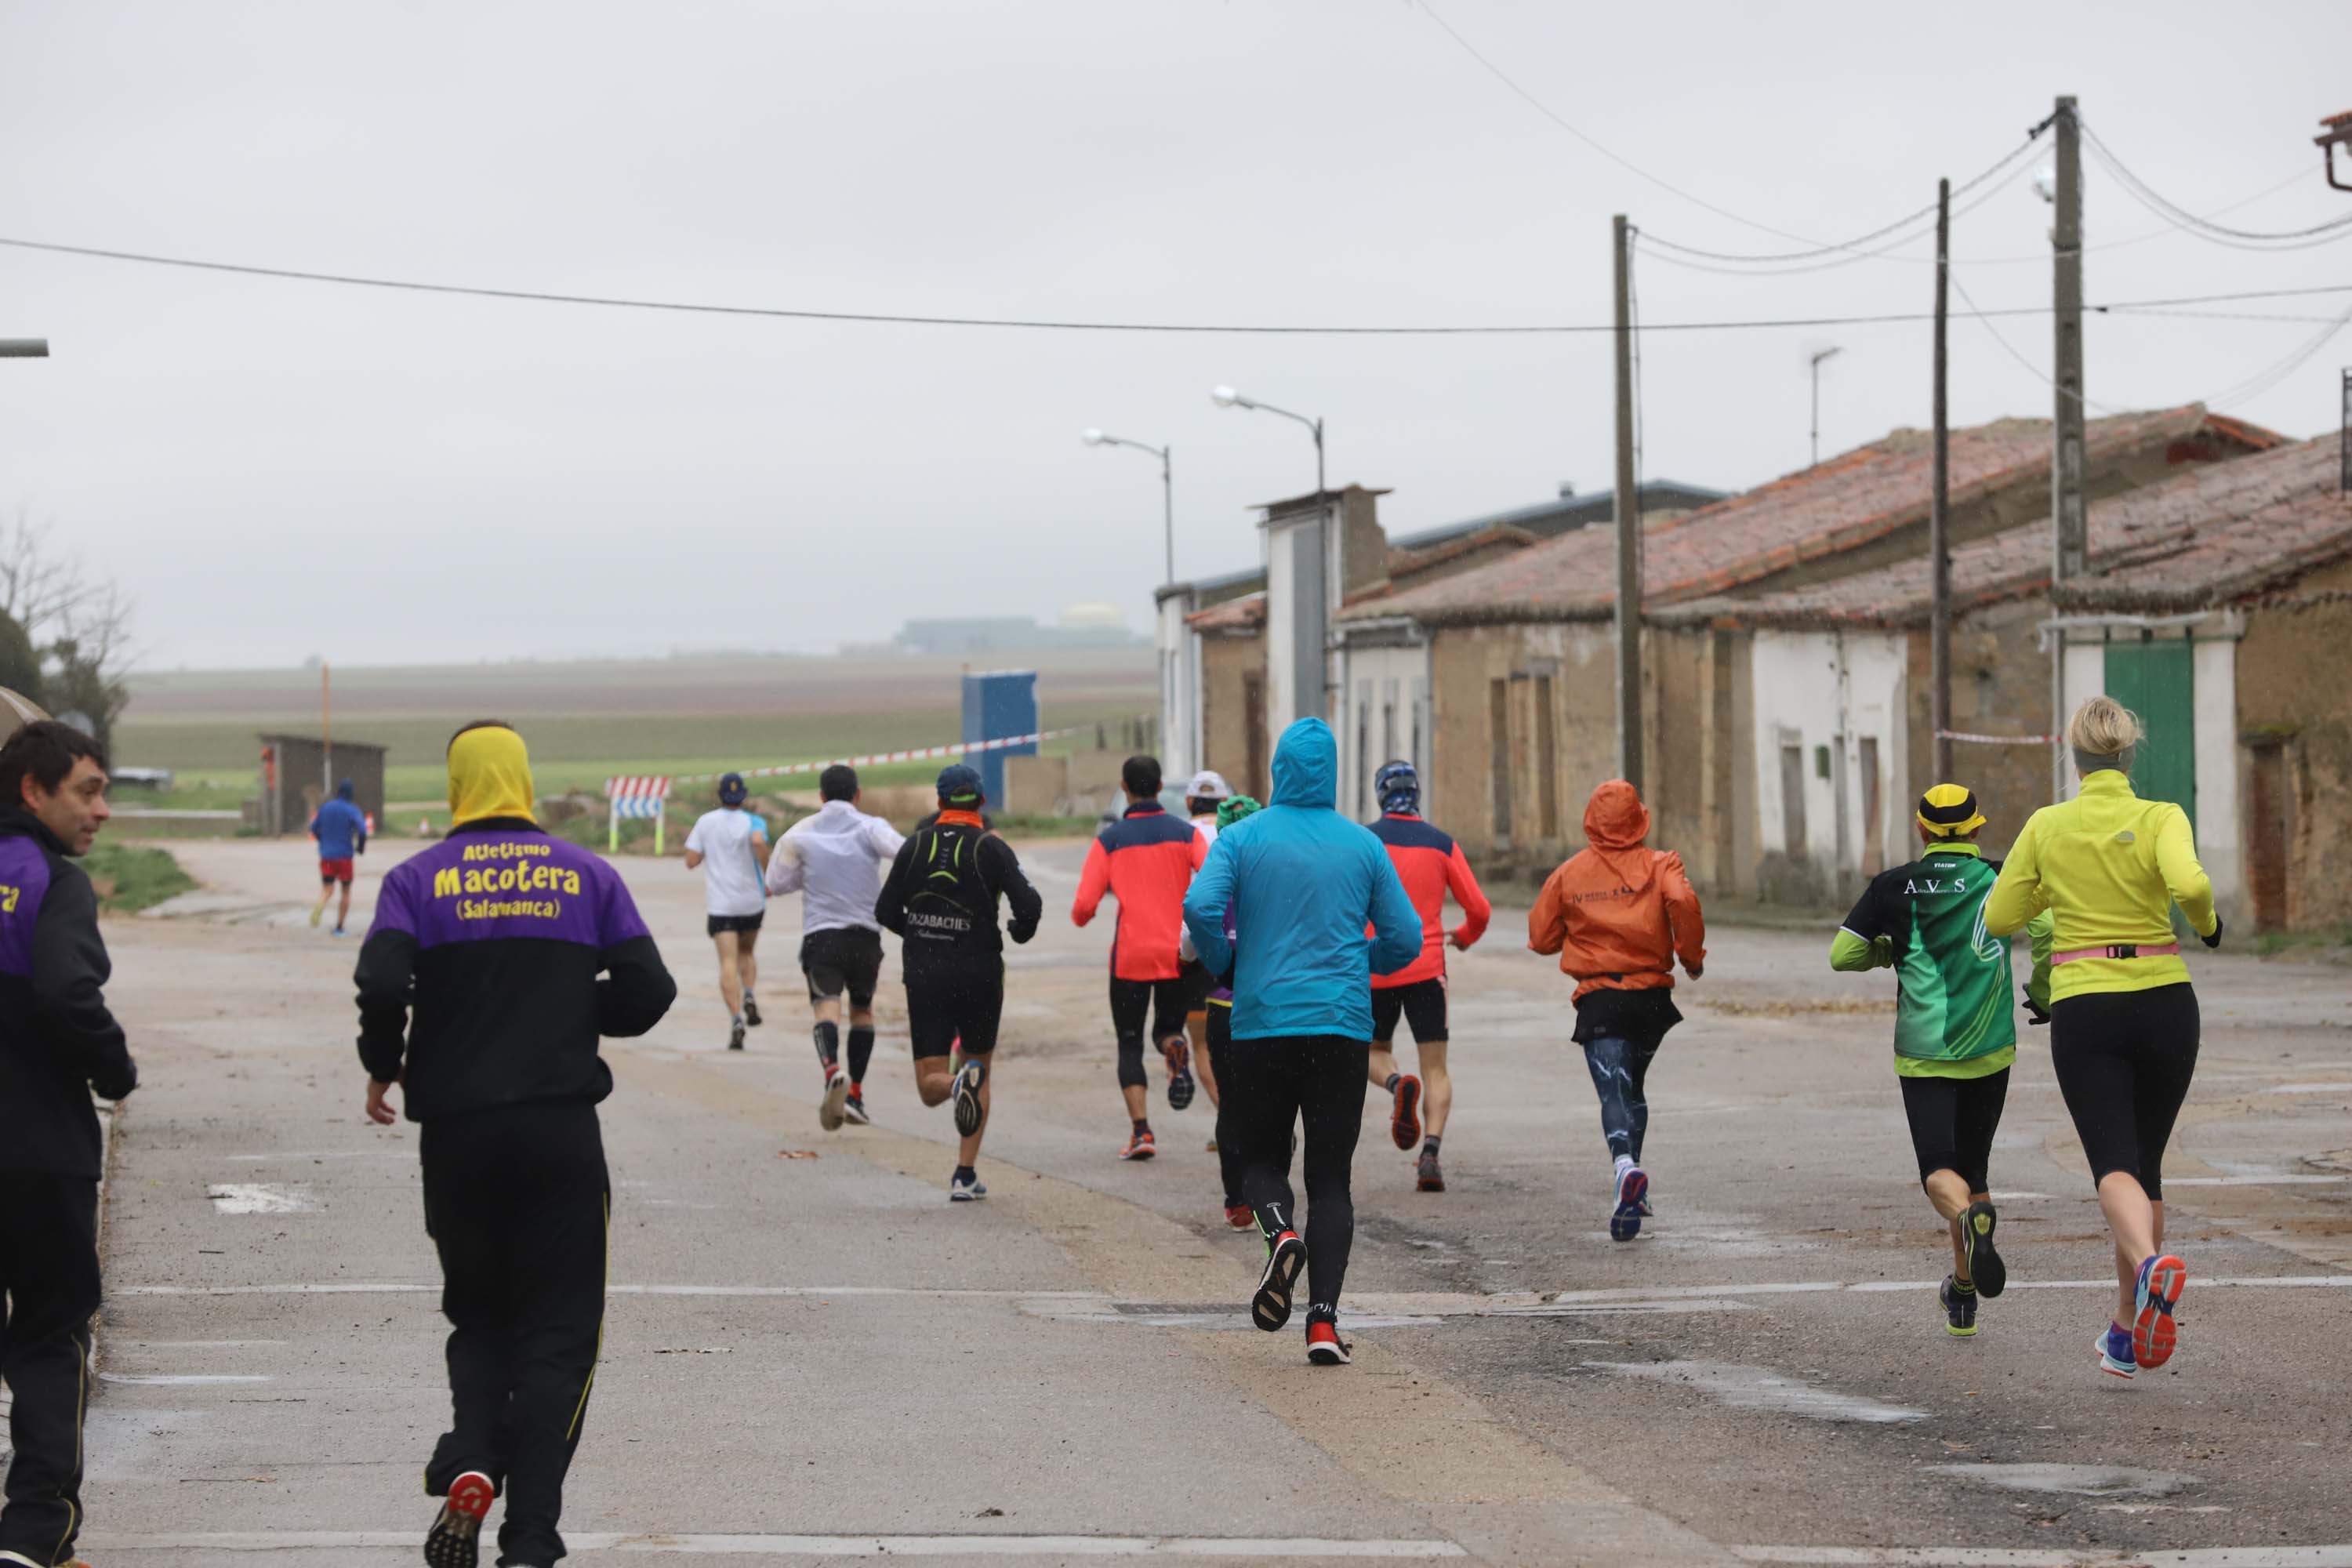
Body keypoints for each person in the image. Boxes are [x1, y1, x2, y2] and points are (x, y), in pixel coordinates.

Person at [356, 721, 676, 1568]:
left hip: (457, 1138)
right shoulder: (586, 874)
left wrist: (383, 1063)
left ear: (459, 783)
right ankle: (530, 1535)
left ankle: (469, 1451)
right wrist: (573, 1014)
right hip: (559, 1134)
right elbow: (650, 989)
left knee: (480, 1314)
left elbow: (384, 979)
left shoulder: (414, 880)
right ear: (524, 782)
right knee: (562, 1332)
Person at [1985, 695, 2216, 1380]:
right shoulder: (2161, 816)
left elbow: (2001, 915)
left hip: (2089, 1004)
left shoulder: (2047, 825)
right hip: (2168, 999)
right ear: (2128, 752)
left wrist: (2049, 893)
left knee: (2113, 1164)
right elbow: (2192, 884)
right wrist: (2207, 927)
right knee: (2145, 1167)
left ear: (2073, 754)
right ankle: (2125, 1327)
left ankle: (2150, 1269)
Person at [1184, 718, 1419, 1366]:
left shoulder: (1241, 837)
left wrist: (1226, 963)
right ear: (1333, 772)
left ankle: (1279, 1233)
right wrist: (1358, 958)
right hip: (1342, 1027)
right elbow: (1407, 939)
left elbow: (1201, 908)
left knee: (1262, 1159)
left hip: (1260, 1023)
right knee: (1332, 1178)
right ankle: (1322, 1323)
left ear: (1278, 770)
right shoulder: (1364, 847)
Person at [1832, 783, 2044, 1337]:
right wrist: (2043, 988)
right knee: (1973, 1171)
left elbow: (1843, 954)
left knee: (1938, 1173)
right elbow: (2046, 927)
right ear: (1976, 828)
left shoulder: (1894, 885)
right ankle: (1964, 1294)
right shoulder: (2000, 877)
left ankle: (1968, 1233)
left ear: (1923, 831)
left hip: (1925, 1052)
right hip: (1989, 1049)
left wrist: (1888, 951)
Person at [0, 721, 136, 1568]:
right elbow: (65, 990)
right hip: (38, 1148)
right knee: (51, 1334)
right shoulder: (53, 881)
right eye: (87, 790)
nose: (102, 810)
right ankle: (32, 1532)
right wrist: (115, 1066)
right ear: (32, 790)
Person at [1528, 779, 1705, 1244]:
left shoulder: (1569, 874)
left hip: (1601, 998)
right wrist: (1691, 958)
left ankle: (1624, 1166)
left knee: (1613, 1091)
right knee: (1635, 1087)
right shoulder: (1662, 863)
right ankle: (1633, 1186)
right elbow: (1683, 902)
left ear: (1591, 820)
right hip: (1651, 1000)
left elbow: (1541, 937)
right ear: (1639, 819)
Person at [876, 764, 1042, 1201]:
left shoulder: (914, 846)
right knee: (978, 1065)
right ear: (982, 802)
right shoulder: (992, 846)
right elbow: (1030, 904)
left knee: (929, 1084)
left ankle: (952, 1086)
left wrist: (919, 933)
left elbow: (884, 910)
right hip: (981, 971)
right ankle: (965, 1174)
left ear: (940, 801)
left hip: (926, 973)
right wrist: (1018, 930)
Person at [1363, 760, 1490, 1193]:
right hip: (1427, 968)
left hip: (1375, 967)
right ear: (1417, 794)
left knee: (1373, 1051)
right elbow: (1480, 908)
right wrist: (1465, 937)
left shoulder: (1365, 841)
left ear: (1380, 795)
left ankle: (1397, 1084)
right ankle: (1431, 1153)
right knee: (1435, 1067)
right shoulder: (1442, 844)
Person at [1073, 753, 1208, 1160]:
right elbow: (1217, 877)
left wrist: (1092, 909)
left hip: (1131, 955)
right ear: (1161, 786)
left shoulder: (1110, 841)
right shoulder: (1186, 834)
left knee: (1129, 1042)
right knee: (1166, 1028)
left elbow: (1082, 908)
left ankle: (1142, 1132)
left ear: (1126, 788)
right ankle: (1172, 1047)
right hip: (1176, 955)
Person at [766, 764, 905, 1129]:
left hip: (822, 937)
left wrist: (809, 875)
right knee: (862, 1012)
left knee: (826, 1011)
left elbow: (775, 883)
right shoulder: (871, 827)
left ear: (821, 796)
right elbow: (905, 855)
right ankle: (856, 1093)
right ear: (857, 795)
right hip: (865, 937)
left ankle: (832, 1071)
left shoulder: (802, 833)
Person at [1200, 792, 1261, 1231]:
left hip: (1223, 1001)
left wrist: (1215, 956)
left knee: (1231, 1104)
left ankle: (1237, 1201)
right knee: (1273, 1099)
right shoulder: (1276, 871)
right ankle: (1271, 1193)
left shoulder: (1216, 870)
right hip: (1271, 1002)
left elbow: (1192, 927)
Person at [683, 772, 770, 1054]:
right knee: (747, 954)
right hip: (751, 901)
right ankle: (749, 994)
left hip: (722, 905)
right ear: (743, 796)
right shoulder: (754, 822)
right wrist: (767, 870)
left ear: (719, 796)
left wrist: (712, 851)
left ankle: (735, 1019)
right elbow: (758, 842)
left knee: (728, 962)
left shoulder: (706, 822)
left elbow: (691, 861)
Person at [1180, 770, 1233, 1146]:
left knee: (1202, 1044)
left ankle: (1229, 1119)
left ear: (1188, 803)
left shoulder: (1183, 834)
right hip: (1246, 945)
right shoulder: (1241, 832)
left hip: (1197, 948)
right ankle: (1258, 1119)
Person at [308, 776, 368, 935]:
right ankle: (339, 927)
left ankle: (320, 904)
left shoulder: (326, 808)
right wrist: (360, 846)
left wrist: (323, 841)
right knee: (346, 891)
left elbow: (314, 828)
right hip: (344, 858)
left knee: (328, 889)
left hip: (327, 857)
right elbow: (362, 830)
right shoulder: (351, 809)